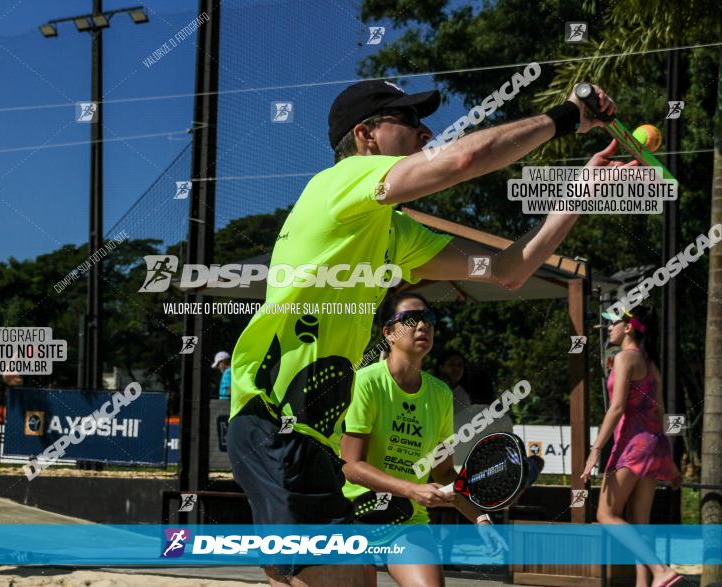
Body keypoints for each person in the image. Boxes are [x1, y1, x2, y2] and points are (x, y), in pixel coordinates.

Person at [228, 77, 626, 587]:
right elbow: (461, 161)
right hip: (275, 423)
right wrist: (568, 117)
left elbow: (506, 269)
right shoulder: (339, 182)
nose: (426, 131)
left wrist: (580, 194)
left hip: (305, 439)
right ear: (366, 135)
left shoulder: (392, 231)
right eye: (410, 120)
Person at [341, 291, 505, 587]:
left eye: (428, 318)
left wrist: (481, 519)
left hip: (406, 519)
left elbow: (443, 472)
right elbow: (350, 466)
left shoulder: (441, 393)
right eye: (410, 319)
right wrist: (412, 489)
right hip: (353, 516)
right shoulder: (365, 382)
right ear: (388, 333)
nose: (423, 326)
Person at [581, 306, 683, 587]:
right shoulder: (651, 364)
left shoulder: (624, 357)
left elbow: (616, 408)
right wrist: (670, 462)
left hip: (633, 447)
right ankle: (645, 583)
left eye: (613, 323)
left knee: (606, 514)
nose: (608, 329)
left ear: (628, 327)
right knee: (640, 523)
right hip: (654, 446)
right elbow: (661, 414)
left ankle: (662, 571)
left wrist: (595, 450)